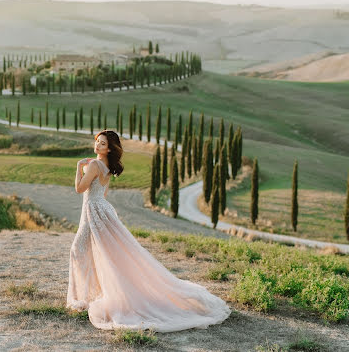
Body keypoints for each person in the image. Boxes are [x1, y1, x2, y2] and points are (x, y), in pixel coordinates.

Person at [67, 130, 231, 332]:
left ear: (109, 148)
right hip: (102, 208)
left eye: (102, 144)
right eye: (97, 142)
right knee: (101, 254)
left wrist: (78, 167)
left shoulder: (92, 164)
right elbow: (104, 192)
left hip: (93, 211)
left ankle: (81, 299)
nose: (97, 146)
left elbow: (79, 189)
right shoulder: (108, 167)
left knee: (78, 251)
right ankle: (89, 296)